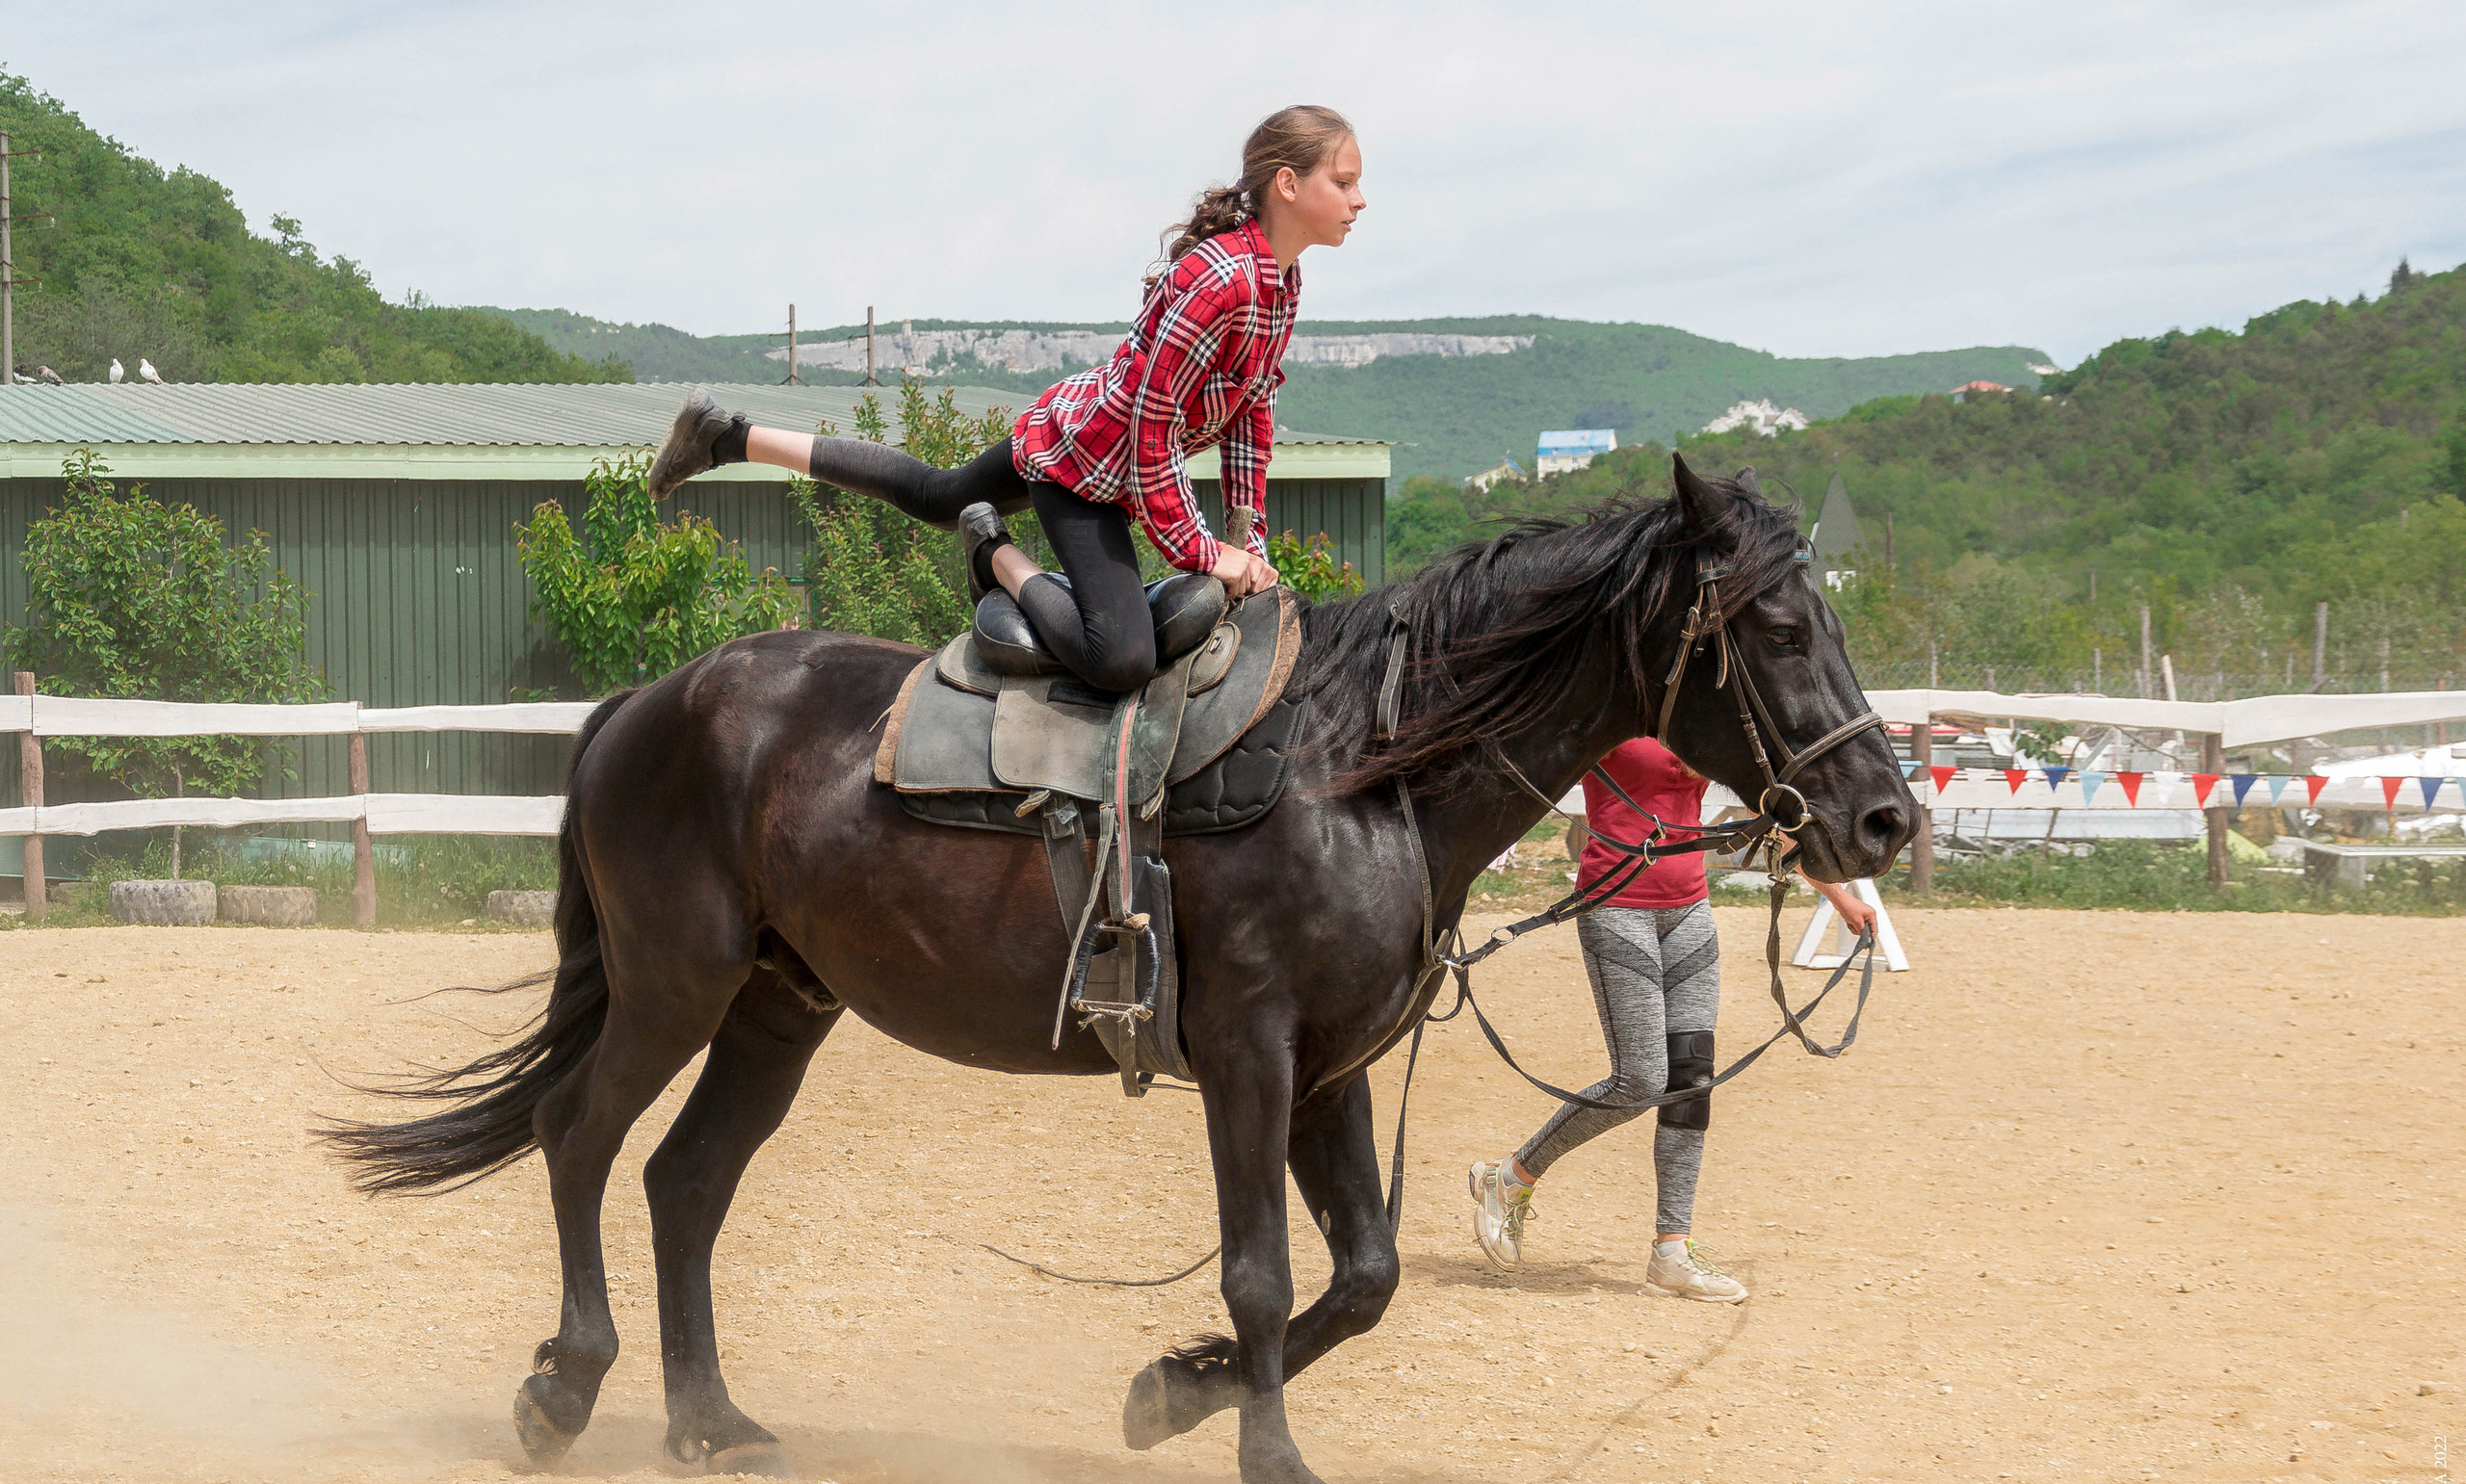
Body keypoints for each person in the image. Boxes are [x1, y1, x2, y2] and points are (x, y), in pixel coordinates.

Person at [643, 106, 1364, 693]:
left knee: (932, 494)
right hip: (1081, 466)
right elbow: (1152, 426)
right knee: (1120, 660)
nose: (1359, 201)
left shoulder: (1279, 285)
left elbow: (1249, 420)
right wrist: (1203, 551)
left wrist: (1246, 541)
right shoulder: (1224, 281)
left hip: (1107, 460)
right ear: (1288, 184)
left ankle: (725, 438)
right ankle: (997, 558)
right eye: (1345, 181)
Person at [1466, 737, 1878, 1302]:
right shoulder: (1613, 719)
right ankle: (1511, 1176)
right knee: (1640, 1079)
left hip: (1690, 911)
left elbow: (1780, 817)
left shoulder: (1698, 725)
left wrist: (1839, 897)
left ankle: (1671, 1253)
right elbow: (1526, 771)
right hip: (1615, 909)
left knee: (1691, 1081)